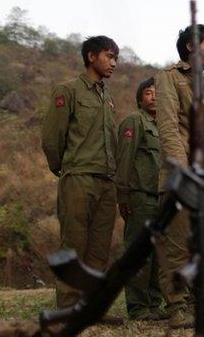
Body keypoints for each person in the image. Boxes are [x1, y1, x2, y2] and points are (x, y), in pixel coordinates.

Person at [41, 35, 119, 309]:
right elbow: (52, 138)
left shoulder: (108, 97)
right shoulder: (68, 90)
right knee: (73, 244)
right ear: (91, 56)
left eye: (115, 58)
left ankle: (91, 308)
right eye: (109, 57)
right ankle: (68, 307)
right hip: (78, 178)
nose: (113, 63)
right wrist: (63, 169)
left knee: (99, 249)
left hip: (107, 181)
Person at [155, 24, 204, 327]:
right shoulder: (168, 78)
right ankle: (176, 305)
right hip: (182, 173)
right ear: (192, 47)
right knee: (178, 241)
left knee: (200, 241)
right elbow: (167, 127)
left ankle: (197, 302)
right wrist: (182, 173)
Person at [115, 78, 165, 320]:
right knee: (139, 252)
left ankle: (154, 303)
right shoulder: (134, 121)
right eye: (148, 93)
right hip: (140, 196)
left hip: (160, 198)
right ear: (139, 99)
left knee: (158, 254)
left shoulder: (164, 127)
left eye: (158, 93)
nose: (154, 97)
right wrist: (122, 195)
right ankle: (138, 307)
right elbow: (124, 159)